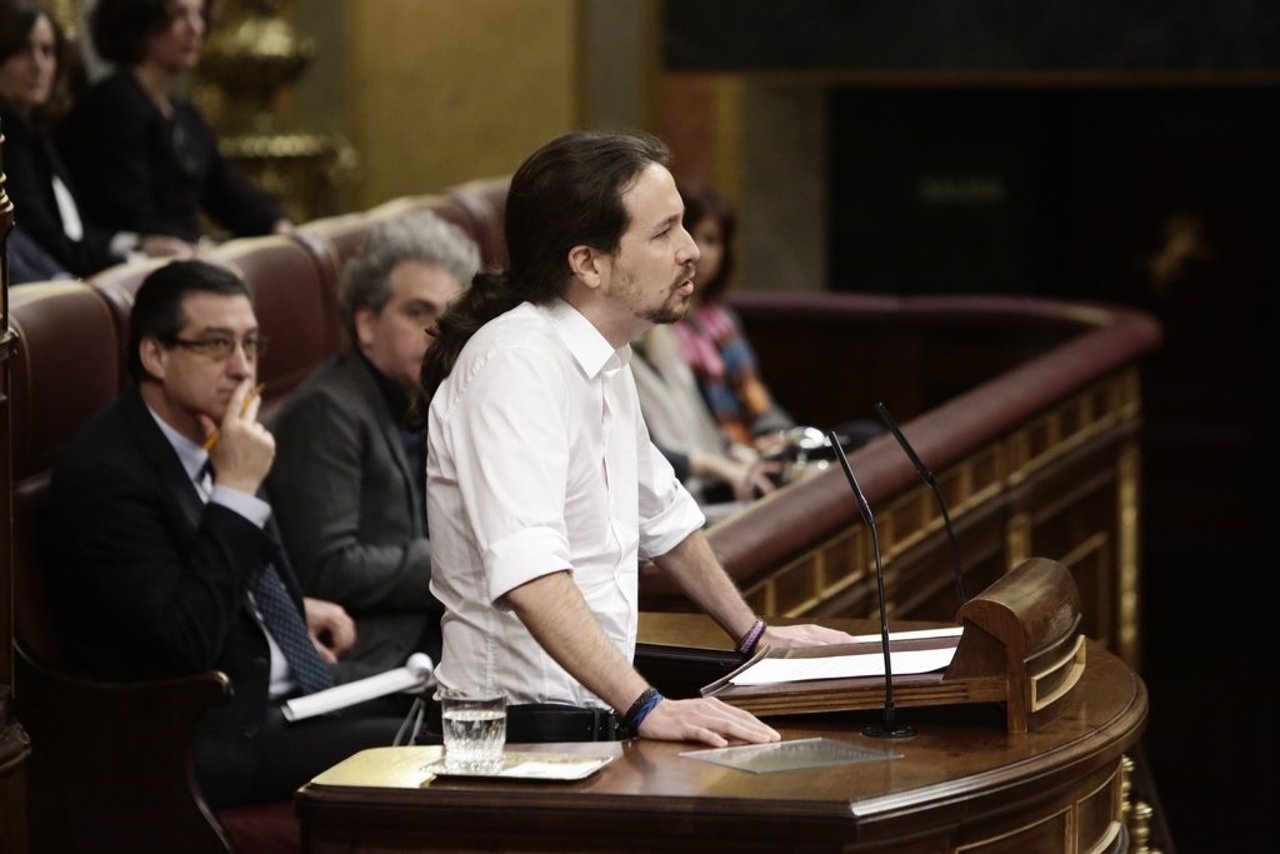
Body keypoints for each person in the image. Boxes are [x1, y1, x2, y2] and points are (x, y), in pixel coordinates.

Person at [417, 130, 855, 747]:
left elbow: (666, 517)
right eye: (663, 233)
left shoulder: (605, 355)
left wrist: (756, 637)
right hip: (519, 739)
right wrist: (649, 708)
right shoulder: (514, 365)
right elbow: (531, 576)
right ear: (588, 263)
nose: (690, 252)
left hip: (593, 720)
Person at [46, 260, 405, 808]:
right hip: (206, 734)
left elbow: (205, 573)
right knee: (420, 746)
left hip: (288, 687)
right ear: (155, 355)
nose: (241, 368)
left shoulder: (217, 431)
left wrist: (293, 608)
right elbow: (182, 643)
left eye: (251, 344)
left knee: (461, 702)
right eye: (216, 345)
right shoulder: (107, 477)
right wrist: (236, 489)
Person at [269, 212, 479, 671]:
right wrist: (459, 554)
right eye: (417, 312)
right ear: (366, 324)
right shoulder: (327, 412)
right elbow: (327, 566)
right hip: (378, 656)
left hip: (452, 632)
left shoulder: (440, 396)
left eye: (449, 317)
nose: (436, 333)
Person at [57, 0, 291, 251]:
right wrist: (199, 244)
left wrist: (277, 225)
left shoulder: (185, 113)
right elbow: (131, 215)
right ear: (140, 21)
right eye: (179, 15)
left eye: (200, 15)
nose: (196, 28)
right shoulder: (113, 105)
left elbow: (229, 191)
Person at [0, 0, 190, 282]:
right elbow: (46, 242)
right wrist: (130, 255)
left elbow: (73, 233)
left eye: (48, 51)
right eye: (22, 51)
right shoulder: (10, 136)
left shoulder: (35, 132)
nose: (39, 66)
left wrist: (135, 244)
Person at [672, 179, 795, 448]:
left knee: (860, 437)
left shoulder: (723, 320)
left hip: (756, 445)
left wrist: (779, 436)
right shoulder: (656, 326)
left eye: (712, 240)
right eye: (690, 235)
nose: (699, 252)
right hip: (715, 461)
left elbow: (756, 396)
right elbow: (681, 425)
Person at [633, 324, 776, 505]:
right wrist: (715, 465)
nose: (685, 293)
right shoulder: (614, 361)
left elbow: (700, 419)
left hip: (711, 476)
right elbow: (636, 456)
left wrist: (735, 449)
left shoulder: (665, 341)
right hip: (672, 493)